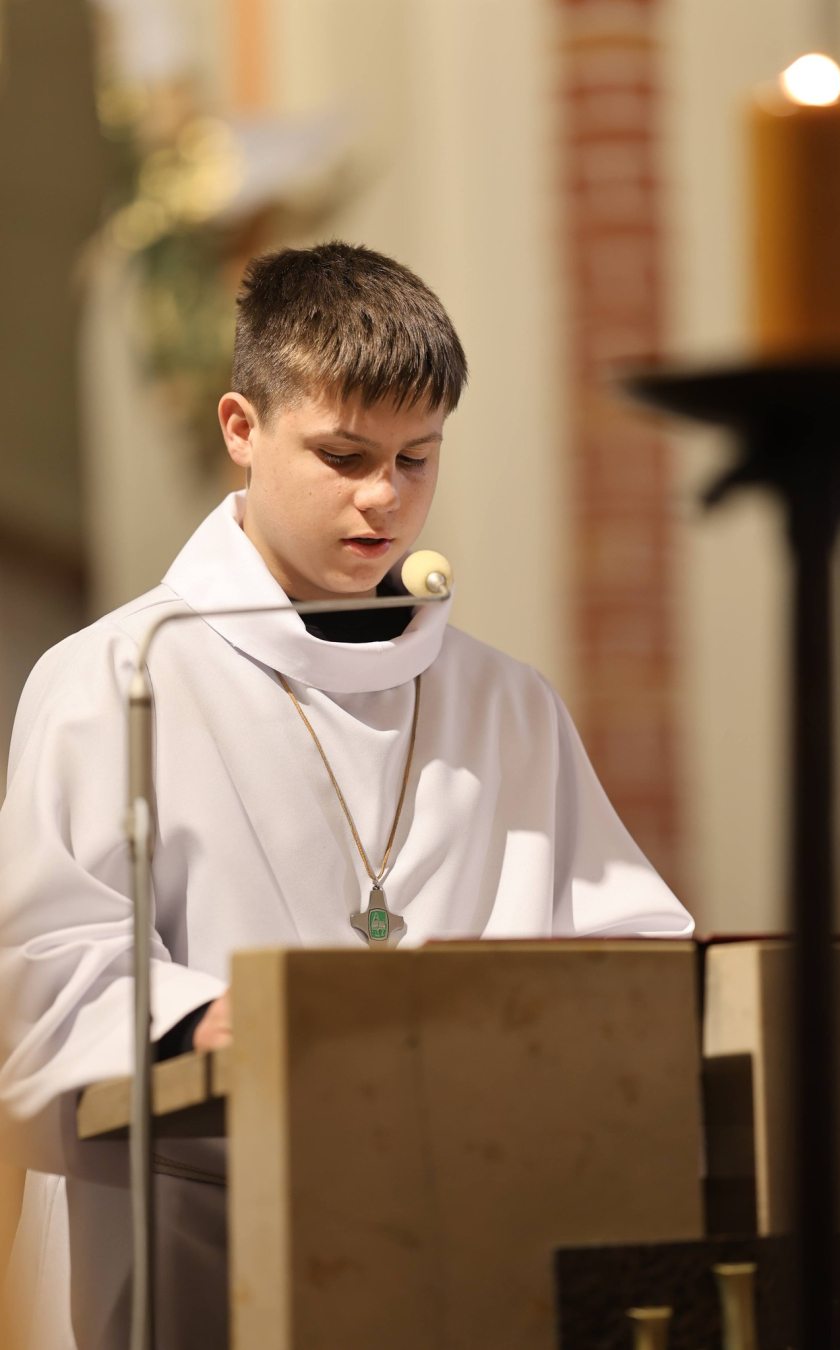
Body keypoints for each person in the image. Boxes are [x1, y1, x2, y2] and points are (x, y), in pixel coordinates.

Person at [0, 242, 692, 1349]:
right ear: (242, 428)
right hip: (189, 1236)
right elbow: (43, 966)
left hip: (463, 1236)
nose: (385, 498)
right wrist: (199, 1022)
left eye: (417, 458)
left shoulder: (504, 702)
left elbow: (633, 956)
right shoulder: (117, 678)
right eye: (344, 456)